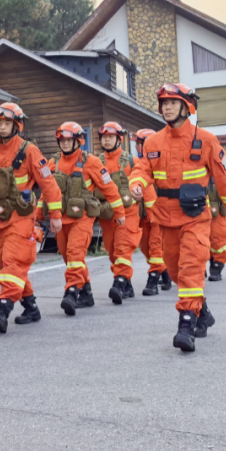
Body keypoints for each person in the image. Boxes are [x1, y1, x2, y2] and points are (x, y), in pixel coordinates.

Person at [130, 84, 226, 351]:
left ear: (187, 106)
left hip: (196, 217)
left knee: (192, 268)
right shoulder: (152, 142)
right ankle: (203, 314)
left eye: (173, 102)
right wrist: (136, 183)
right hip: (165, 217)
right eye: (164, 103)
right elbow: (142, 169)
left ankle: (186, 326)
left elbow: (224, 178)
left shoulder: (206, 140)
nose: (167, 107)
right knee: (174, 269)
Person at [0, 103, 63, 332]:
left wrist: (55, 215)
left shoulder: (29, 151)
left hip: (21, 220)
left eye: (7, 123)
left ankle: (3, 309)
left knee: (14, 263)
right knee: (8, 266)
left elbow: (49, 185)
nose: (2, 127)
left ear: (17, 125)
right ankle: (31, 307)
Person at [49, 122, 124, 316]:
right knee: (68, 257)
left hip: (82, 218)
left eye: (69, 140)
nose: (65, 144)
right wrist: (42, 215)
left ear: (78, 141)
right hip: (61, 219)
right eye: (62, 140)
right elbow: (47, 191)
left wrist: (120, 213)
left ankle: (71, 292)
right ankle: (86, 291)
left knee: (75, 254)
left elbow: (109, 188)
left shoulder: (91, 162)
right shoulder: (53, 163)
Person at [96, 122, 141, 305]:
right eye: (104, 137)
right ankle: (127, 284)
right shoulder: (95, 162)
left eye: (110, 137)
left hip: (128, 213)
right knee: (113, 252)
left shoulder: (131, 161)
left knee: (123, 248)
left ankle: (119, 282)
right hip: (107, 215)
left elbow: (141, 179)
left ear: (118, 139)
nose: (106, 140)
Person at [133, 129, 170, 295]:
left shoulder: (165, 163)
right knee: (146, 249)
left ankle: (153, 280)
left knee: (156, 248)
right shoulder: (136, 164)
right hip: (143, 216)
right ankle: (166, 275)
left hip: (159, 215)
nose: (140, 148)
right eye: (139, 144)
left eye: (142, 144)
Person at [207, 178, 226, 282]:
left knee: (218, 243)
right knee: (197, 244)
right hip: (197, 215)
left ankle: (216, 267)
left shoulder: (219, 175)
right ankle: (201, 268)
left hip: (216, 217)